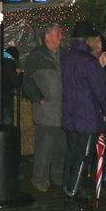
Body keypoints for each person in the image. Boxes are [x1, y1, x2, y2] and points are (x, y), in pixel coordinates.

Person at [61, 22, 106, 211]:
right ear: (89, 39)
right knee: (83, 157)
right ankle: (73, 197)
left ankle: (70, 190)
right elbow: (101, 92)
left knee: (72, 154)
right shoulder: (89, 62)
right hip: (88, 117)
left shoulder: (67, 58)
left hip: (70, 115)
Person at [24, 23, 66, 193]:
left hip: (64, 110)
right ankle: (40, 178)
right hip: (46, 111)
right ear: (47, 37)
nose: (61, 37)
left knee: (62, 146)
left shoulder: (65, 55)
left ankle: (58, 176)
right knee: (45, 146)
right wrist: (38, 98)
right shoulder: (37, 56)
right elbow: (27, 82)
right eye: (58, 34)